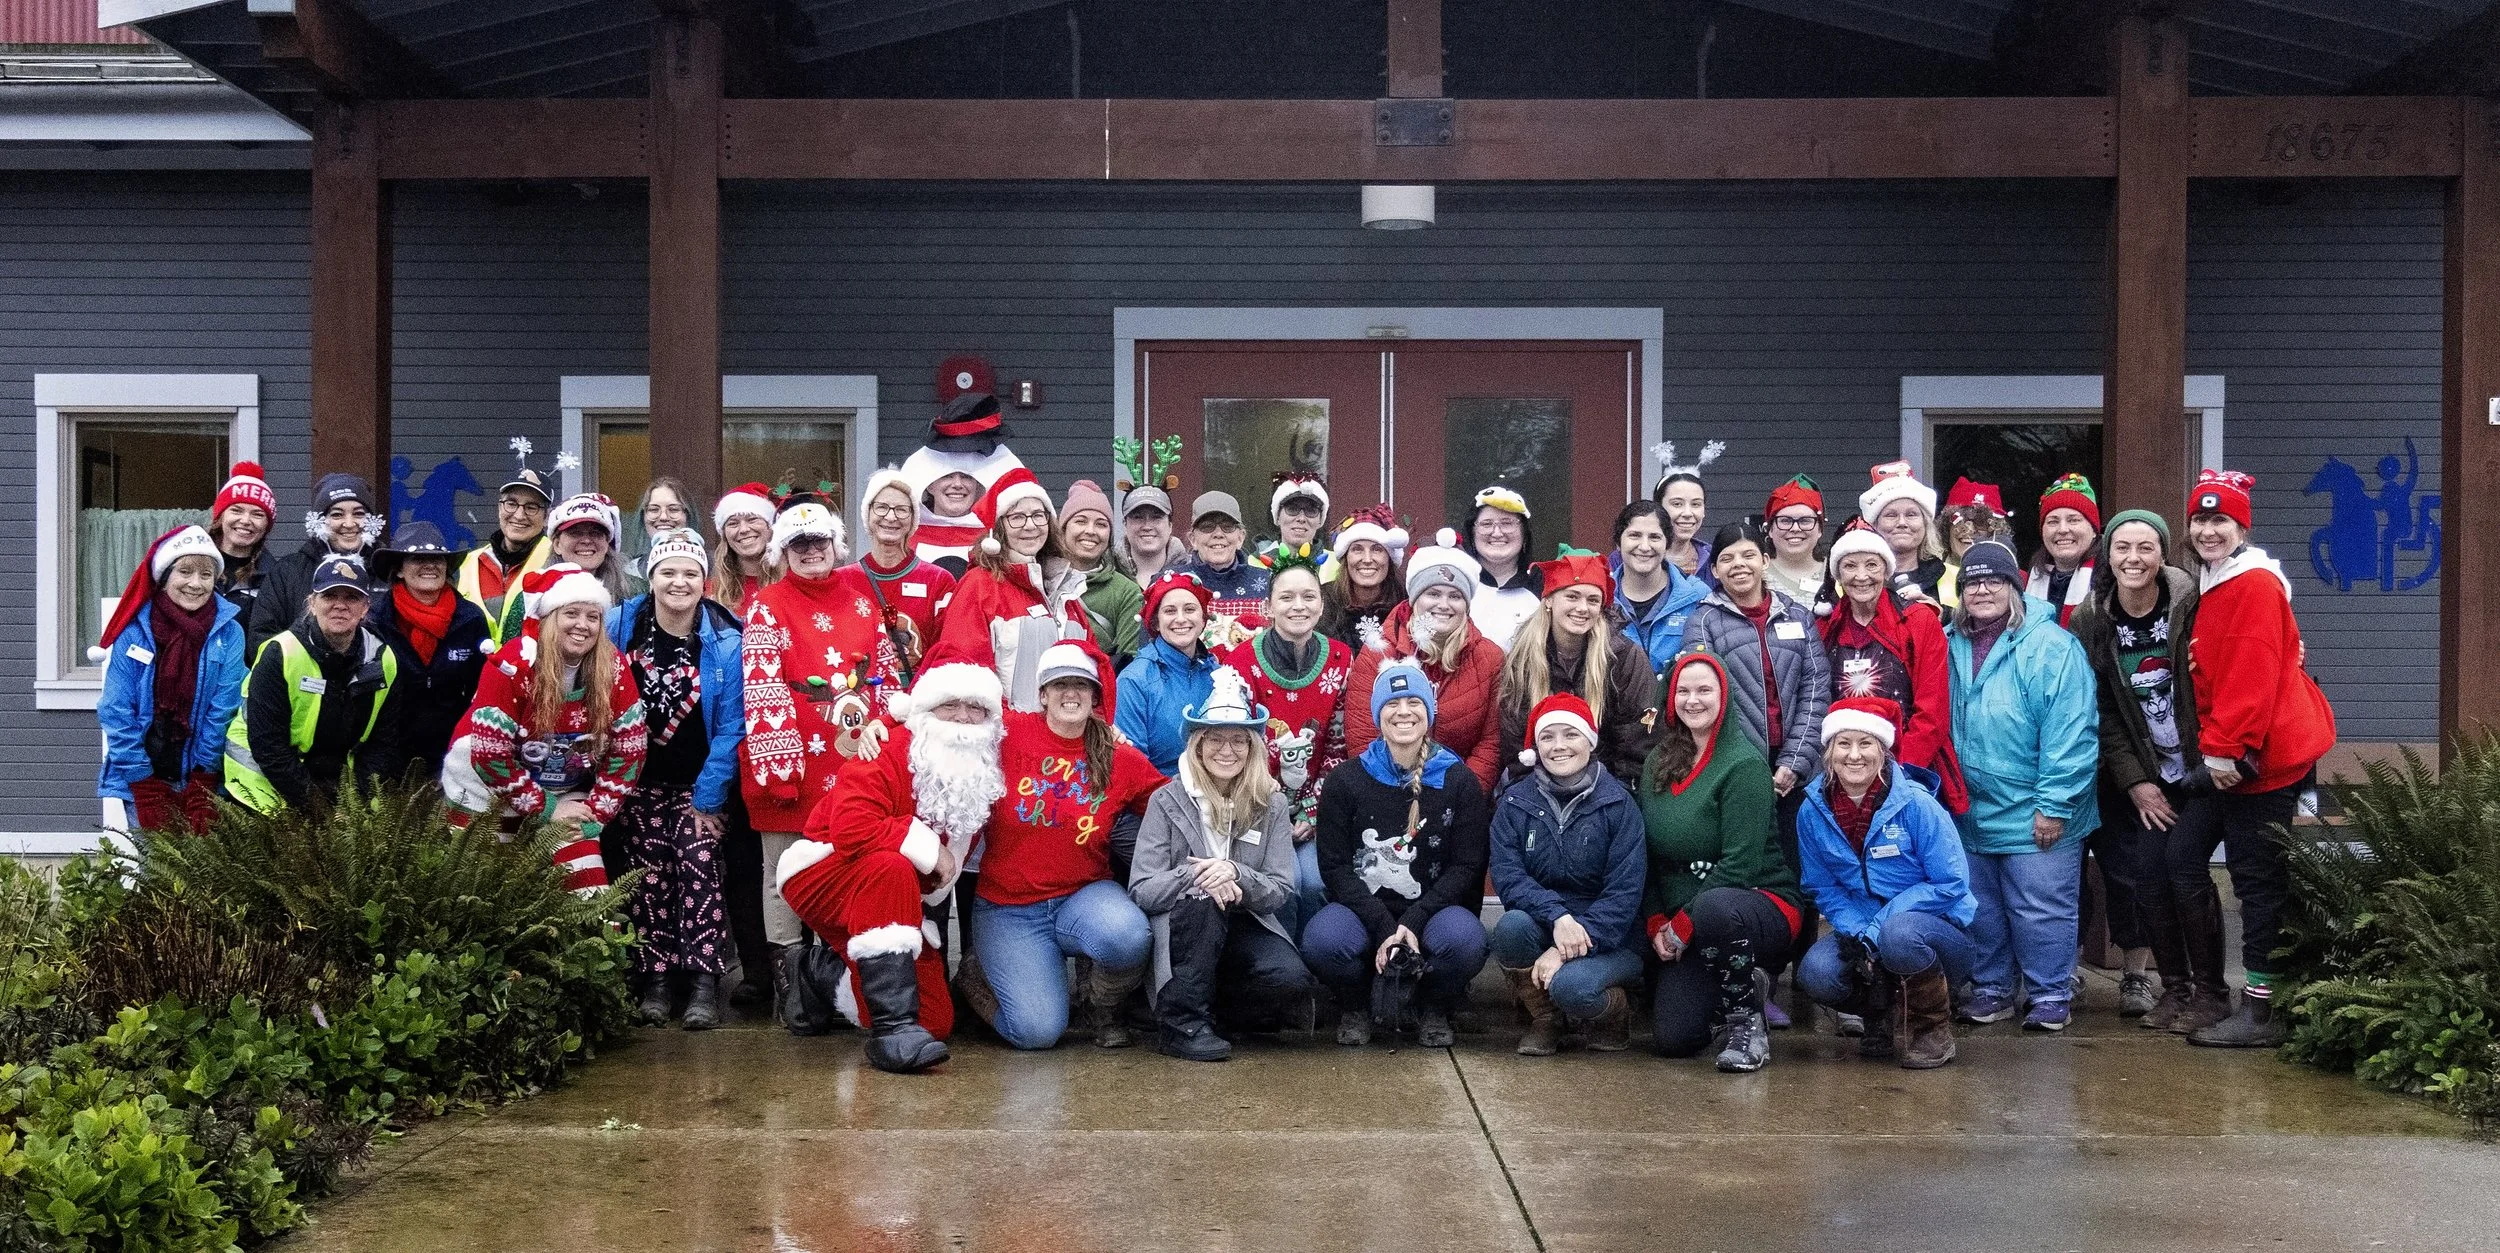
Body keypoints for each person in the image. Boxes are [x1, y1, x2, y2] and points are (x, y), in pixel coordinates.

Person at [777, 662, 1008, 1074]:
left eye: (976, 707)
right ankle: (892, 1032)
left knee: (936, 1021)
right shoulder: (888, 746)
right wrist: (930, 851)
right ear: (924, 710)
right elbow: (851, 830)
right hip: (824, 871)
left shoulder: (985, 756)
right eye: (949, 705)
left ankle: (817, 974)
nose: (962, 717)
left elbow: (1055, 723)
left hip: (896, 900)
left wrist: (1108, 734)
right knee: (892, 864)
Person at [2176, 470, 2336, 1049]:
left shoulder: (2252, 585)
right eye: (2201, 519)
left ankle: (2262, 1008)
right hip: (2236, 753)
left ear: (2241, 527)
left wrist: (2226, 753)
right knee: (2183, 855)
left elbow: (2250, 674)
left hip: (2260, 761)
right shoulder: (2215, 579)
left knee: (2257, 881)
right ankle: (2208, 990)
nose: (2208, 530)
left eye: (2220, 521)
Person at [965, 642, 1164, 1050]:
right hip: (1010, 908)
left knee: (1126, 936)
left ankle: (1100, 1005)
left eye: (1081, 685)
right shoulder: (1008, 733)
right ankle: (974, 976)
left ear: (1094, 697)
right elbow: (948, 722)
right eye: (1059, 685)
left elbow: (1171, 802)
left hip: (1083, 896)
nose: (1070, 693)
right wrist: (885, 726)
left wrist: (1249, 785)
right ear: (1042, 695)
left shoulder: (1118, 755)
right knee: (1036, 1033)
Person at [740, 499, 906, 987]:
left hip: (856, 760)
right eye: (799, 544)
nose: (811, 551)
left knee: (844, 864)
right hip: (792, 761)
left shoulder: (861, 600)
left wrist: (892, 747)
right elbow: (762, 689)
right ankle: (791, 985)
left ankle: (841, 980)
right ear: (783, 551)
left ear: (836, 545)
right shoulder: (766, 605)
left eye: (819, 542)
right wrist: (780, 771)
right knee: (782, 872)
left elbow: (886, 680)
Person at [2070, 509, 2225, 1031]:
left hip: (2206, 765)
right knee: (2150, 877)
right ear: (2108, 556)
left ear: (2162, 554)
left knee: (2187, 873)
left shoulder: (2193, 602)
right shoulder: (2092, 616)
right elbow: (2104, 708)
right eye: (2122, 548)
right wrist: (2136, 780)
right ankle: (2175, 990)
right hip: (2147, 768)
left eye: (2145, 548)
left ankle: (2210, 991)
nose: (2133, 559)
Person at [1946, 538, 2100, 1033]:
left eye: (1994, 580)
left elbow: (2072, 733)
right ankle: (1991, 988)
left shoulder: (2053, 646)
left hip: (2038, 806)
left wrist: (2054, 804)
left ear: (2015, 586)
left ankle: (2050, 992)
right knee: (1981, 908)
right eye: (1972, 582)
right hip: (1968, 808)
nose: (1982, 590)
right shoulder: (1946, 642)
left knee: (2040, 907)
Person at [1678, 520, 1828, 1027]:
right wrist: (1742, 770)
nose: (1739, 566)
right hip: (1734, 771)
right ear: (1713, 569)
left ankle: (1787, 979)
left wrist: (1793, 767)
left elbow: (1815, 692)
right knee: (1745, 873)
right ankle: (1749, 983)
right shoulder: (1703, 619)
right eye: (1726, 560)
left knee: (1793, 873)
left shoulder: (1800, 619)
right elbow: (1702, 697)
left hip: (1793, 774)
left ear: (1764, 559)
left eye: (1747, 555)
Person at [1128, 667, 1320, 1061]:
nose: (1226, 750)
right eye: (1215, 739)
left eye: (1238, 740)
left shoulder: (1272, 803)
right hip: (1186, 924)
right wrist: (1198, 875)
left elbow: (1281, 888)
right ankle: (1182, 1024)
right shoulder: (1167, 800)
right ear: (1197, 745)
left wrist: (1235, 873)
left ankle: (1216, 1014)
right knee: (1201, 907)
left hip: (1243, 920)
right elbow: (1143, 888)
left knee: (1291, 981)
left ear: (1253, 748)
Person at [1301, 660, 1491, 1047]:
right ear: (1377, 714)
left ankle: (1433, 1007)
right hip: (1363, 909)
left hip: (1433, 910)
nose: (1403, 712)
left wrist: (1416, 920)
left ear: (1429, 711)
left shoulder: (1458, 780)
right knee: (1323, 940)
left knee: (1465, 941)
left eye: (1414, 702)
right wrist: (1384, 926)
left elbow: (1467, 864)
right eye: (1392, 703)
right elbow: (1334, 866)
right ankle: (1356, 1006)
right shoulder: (1346, 780)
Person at [605, 528, 745, 1030]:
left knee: (700, 867)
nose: (678, 582)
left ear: (704, 582)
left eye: (690, 573)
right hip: (636, 784)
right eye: (668, 572)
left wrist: (707, 800)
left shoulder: (726, 642)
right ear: (651, 577)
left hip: (698, 788)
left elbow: (732, 728)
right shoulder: (620, 626)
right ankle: (657, 978)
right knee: (649, 878)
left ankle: (703, 981)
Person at [1637, 652, 1802, 1073]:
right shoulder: (1658, 763)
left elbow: (1739, 867)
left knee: (1716, 906)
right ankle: (1741, 982)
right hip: (1685, 917)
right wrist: (1658, 920)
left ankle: (1748, 1024)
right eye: (1684, 690)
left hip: (1756, 903)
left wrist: (1682, 927)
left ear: (1724, 696)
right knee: (1674, 1039)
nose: (1693, 700)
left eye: (1704, 690)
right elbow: (1649, 857)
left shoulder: (1743, 766)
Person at [441, 563, 645, 892]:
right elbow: (488, 755)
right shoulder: (512, 665)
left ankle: (603, 942)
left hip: (567, 788)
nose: (583, 625)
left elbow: (630, 751)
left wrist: (594, 816)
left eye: (593, 617)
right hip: (487, 789)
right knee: (481, 890)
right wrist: (545, 808)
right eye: (572, 614)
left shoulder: (613, 667)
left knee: (590, 898)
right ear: (549, 617)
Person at [1795, 696, 1976, 1069]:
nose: (1854, 755)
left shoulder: (1916, 804)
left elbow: (1951, 882)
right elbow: (1821, 886)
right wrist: (1859, 930)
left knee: (1898, 935)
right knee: (1816, 974)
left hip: (1936, 931)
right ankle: (1880, 1013)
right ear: (1828, 753)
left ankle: (1931, 1031)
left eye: (1866, 744)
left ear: (1884, 751)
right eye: (1843, 744)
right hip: (1861, 927)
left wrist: (1876, 930)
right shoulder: (1811, 811)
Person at [1490, 693, 1649, 1056]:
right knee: (1511, 929)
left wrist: (1568, 947)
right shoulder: (1515, 803)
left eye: (1570, 735)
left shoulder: (1619, 804)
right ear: (1535, 748)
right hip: (1548, 922)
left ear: (1589, 742)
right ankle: (1547, 1020)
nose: (1559, 746)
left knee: (1572, 987)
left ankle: (1613, 1015)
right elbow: (1509, 876)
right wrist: (1557, 916)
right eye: (1548, 737)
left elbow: (1624, 895)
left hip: (1612, 936)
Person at [1215, 552, 1352, 930]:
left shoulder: (1342, 660)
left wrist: (1313, 810)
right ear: (1267, 606)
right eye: (1286, 597)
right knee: (1286, 884)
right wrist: (1275, 810)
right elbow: (1236, 748)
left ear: (1321, 604)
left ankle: (1315, 972)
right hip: (1256, 806)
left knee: (1318, 883)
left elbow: (1340, 746)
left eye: (1308, 596)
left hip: (1315, 809)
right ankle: (1283, 974)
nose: (1298, 606)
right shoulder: (1240, 662)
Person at [226, 554, 406, 813]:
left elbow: (382, 743)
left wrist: (357, 802)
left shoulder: (384, 659)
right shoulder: (280, 653)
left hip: (337, 782)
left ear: (366, 607)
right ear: (312, 603)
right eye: (329, 596)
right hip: (263, 783)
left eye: (351, 598)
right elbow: (269, 746)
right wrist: (318, 808)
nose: (340, 606)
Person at [95, 526, 245, 834]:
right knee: (156, 877)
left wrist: (205, 777)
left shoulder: (230, 633)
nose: (195, 583)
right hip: (143, 780)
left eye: (206, 574)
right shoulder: (134, 631)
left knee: (203, 878)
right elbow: (116, 708)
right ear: (164, 577)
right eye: (185, 571)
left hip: (203, 779)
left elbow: (224, 709)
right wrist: (143, 783)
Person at [1819, 520, 1969, 814]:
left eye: (1872, 565)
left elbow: (1932, 713)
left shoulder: (1920, 622)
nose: (1862, 576)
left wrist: (1896, 774)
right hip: (1843, 773)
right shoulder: (1825, 628)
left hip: (1908, 772)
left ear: (1887, 570)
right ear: (1837, 574)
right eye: (1850, 566)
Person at [1343, 534, 1506, 790]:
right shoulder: (1379, 652)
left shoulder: (1490, 659)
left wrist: (1462, 797)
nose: (1444, 605)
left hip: (1458, 796)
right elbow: (1362, 733)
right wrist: (1388, 795)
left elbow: (1490, 742)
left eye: (1455, 595)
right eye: (1433, 593)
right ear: (1414, 598)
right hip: (1388, 790)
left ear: (1467, 604)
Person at [923, 469, 1095, 711]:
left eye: (1038, 515)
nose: (1030, 526)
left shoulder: (1065, 588)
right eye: (1017, 517)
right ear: (999, 528)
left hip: (1066, 739)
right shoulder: (979, 586)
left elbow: (1093, 671)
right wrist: (1018, 729)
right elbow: (966, 679)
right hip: (1007, 739)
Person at [1495, 547, 1659, 785]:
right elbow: (1515, 743)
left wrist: (1615, 794)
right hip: (1538, 786)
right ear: (1549, 599)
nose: (1583, 608)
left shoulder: (1623, 656)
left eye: (1593, 600)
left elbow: (1639, 737)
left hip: (1607, 785)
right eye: (1572, 596)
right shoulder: (1523, 658)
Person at [364, 522, 491, 780]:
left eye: (438, 559)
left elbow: (484, 691)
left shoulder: (470, 619)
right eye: (418, 558)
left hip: (453, 754)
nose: (430, 565)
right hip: (387, 756)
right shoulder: (375, 620)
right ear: (398, 569)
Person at [839, 467, 959, 684]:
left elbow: (948, 651)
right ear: (868, 514)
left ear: (913, 518)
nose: (891, 517)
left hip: (917, 698)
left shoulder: (939, 581)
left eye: (902, 510)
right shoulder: (842, 581)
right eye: (882, 508)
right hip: (860, 697)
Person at [247, 472, 381, 658]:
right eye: (337, 514)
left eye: (359, 514)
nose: (349, 524)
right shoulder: (288, 572)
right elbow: (261, 637)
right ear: (320, 521)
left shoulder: (385, 570)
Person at [900, 392, 1027, 574]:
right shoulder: (902, 539)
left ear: (979, 487)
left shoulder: (1002, 542)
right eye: (947, 476)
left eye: (967, 477)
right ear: (929, 484)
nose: (957, 484)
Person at [1116, 571, 1221, 777]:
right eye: (1170, 611)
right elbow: (1133, 766)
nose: (1180, 619)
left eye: (1189, 609)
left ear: (1203, 619)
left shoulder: (1217, 676)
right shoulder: (1135, 680)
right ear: (1155, 622)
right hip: (1158, 801)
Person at [457, 456, 556, 646]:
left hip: (532, 674)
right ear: (499, 507)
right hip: (473, 675)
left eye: (531, 507)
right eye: (511, 503)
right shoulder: (466, 564)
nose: (519, 515)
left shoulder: (558, 562)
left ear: (546, 516)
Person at [1609, 502, 1708, 678]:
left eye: (1654, 537)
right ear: (1618, 542)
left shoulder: (1697, 596)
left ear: (1667, 543)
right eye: (1634, 535)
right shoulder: (1601, 599)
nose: (1645, 546)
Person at [1058, 479, 1143, 668]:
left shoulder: (1127, 592)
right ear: (1063, 529)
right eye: (1080, 521)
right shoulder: (1041, 582)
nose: (1090, 531)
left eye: (1101, 524)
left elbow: (1128, 662)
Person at [1165, 491, 1270, 632]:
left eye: (1227, 527)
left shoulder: (1268, 582)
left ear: (1241, 537)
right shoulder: (1169, 581)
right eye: (1207, 527)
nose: (1218, 534)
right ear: (1193, 539)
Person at [1460, 485, 1541, 650]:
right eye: (1486, 524)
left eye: (1507, 523)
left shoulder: (1542, 585)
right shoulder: (1457, 583)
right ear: (1472, 533)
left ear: (1524, 533)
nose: (1497, 533)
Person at [1319, 503, 1408, 651]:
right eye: (1357, 549)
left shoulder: (1406, 604)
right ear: (1346, 558)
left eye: (1377, 549)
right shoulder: (1324, 601)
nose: (1367, 559)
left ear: (1389, 559)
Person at [1857, 461, 1946, 603]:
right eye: (1891, 515)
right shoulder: (1853, 579)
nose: (1902, 523)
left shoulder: (1952, 577)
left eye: (1911, 515)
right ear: (1874, 525)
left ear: (1925, 523)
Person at [2028, 473, 2100, 628]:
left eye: (2073, 520)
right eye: (2053, 521)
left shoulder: (2111, 578)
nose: (2062, 529)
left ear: (2094, 530)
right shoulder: (2028, 579)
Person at [206, 461, 275, 617]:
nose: (245, 520)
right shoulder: (191, 562)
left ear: (266, 525)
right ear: (220, 516)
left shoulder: (274, 578)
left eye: (257, 514)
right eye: (236, 510)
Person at [1648, 440, 1722, 580]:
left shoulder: (1716, 558)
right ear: (1658, 508)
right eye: (1677, 504)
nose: (1688, 513)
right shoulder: (1634, 556)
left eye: (1695, 504)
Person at [1938, 476, 2013, 613]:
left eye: (1980, 522)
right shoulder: (1930, 577)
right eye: (1960, 521)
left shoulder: (2016, 577)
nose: (1969, 530)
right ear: (1946, 528)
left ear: (1996, 530)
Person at [707, 482, 782, 616]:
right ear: (724, 535)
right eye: (733, 523)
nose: (744, 529)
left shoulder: (793, 584)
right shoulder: (710, 592)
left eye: (752, 519)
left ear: (770, 527)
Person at [548, 492, 628, 604]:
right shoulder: (533, 594)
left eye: (595, 533)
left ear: (607, 544)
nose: (586, 540)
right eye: (575, 533)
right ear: (557, 545)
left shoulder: (635, 594)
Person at [1761, 475, 1827, 606]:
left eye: (1805, 521)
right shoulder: (1755, 576)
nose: (1795, 528)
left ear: (1820, 529)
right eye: (1785, 521)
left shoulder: (1839, 573)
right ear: (1770, 529)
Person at [620, 476, 694, 593]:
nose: (663, 517)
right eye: (654, 510)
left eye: (673, 509)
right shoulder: (628, 572)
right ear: (643, 517)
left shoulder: (710, 568)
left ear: (688, 515)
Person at [1255, 473, 1332, 572]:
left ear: (1320, 521)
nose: (1301, 518)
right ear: (1277, 517)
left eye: (1311, 511)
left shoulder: (1337, 565)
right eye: (1292, 509)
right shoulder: (1254, 564)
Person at [1119, 484, 1179, 586]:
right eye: (1138, 517)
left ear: (1170, 526)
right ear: (1125, 525)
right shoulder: (1106, 573)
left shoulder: (1192, 575)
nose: (1147, 526)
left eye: (1156, 517)